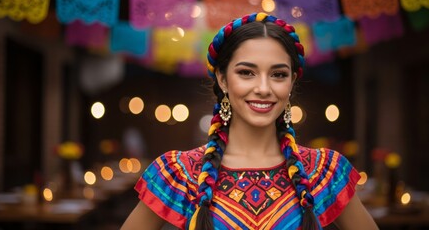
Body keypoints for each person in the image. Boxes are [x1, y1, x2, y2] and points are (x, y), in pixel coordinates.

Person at [121, 12, 378, 230]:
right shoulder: (179, 174)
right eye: (246, 73)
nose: (264, 88)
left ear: (291, 83)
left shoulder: (325, 173)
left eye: (278, 74)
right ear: (222, 79)